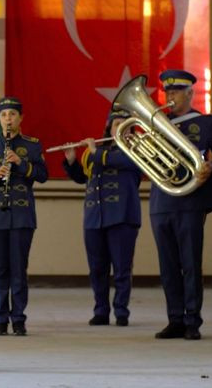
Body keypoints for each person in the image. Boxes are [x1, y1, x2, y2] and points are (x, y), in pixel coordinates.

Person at [150, 69, 212, 341]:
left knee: (189, 262)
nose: (170, 96)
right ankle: (174, 319)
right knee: (168, 266)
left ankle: (192, 320)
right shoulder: (156, 122)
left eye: (176, 91)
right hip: (162, 200)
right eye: (167, 92)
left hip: (191, 199)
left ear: (190, 93)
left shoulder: (205, 123)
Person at [64, 108, 143, 328]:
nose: (118, 127)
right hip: (95, 217)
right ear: (109, 128)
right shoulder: (99, 151)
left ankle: (121, 311)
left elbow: (119, 162)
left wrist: (93, 151)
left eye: (123, 124)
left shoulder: (138, 149)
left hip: (122, 216)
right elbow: (84, 178)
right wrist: (72, 162)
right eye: (116, 123)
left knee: (121, 268)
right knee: (97, 268)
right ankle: (101, 310)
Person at [0, 96, 47, 336]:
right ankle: (0, 318)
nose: (8, 119)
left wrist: (21, 163)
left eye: (13, 115)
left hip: (21, 215)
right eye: (4, 115)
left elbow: (42, 174)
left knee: (18, 269)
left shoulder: (32, 145)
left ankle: (18, 318)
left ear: (20, 118)